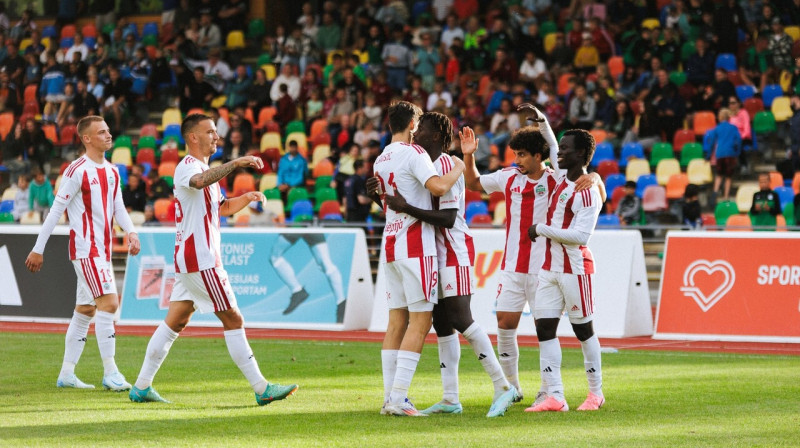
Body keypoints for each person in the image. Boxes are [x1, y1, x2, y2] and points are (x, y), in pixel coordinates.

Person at [129, 114, 298, 404]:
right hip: (201, 258)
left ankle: (142, 386)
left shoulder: (205, 169)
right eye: (209, 132)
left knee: (175, 322)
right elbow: (198, 182)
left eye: (216, 132)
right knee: (233, 318)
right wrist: (236, 163)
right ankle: (261, 388)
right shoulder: (188, 167)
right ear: (193, 137)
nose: (216, 137)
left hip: (192, 258)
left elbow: (222, 207)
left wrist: (249, 196)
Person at [373, 112, 518, 418]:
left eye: (422, 129)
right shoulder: (420, 163)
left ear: (437, 136)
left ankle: (503, 386)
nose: (416, 133)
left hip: (452, 250)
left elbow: (449, 218)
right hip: (429, 253)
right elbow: (408, 206)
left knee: (461, 318)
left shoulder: (447, 165)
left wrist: (406, 206)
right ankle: (451, 398)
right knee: (441, 324)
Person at [461, 104, 603, 410]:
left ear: (539, 156)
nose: (517, 161)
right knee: (505, 323)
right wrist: (469, 154)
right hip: (513, 265)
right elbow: (473, 183)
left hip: (546, 267)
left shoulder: (556, 179)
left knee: (548, 329)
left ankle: (550, 391)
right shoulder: (508, 178)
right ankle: (512, 388)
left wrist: (596, 177)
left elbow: (578, 171)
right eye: (515, 155)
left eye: (522, 155)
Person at [25, 116, 141, 391]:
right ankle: (111, 372)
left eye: (108, 131)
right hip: (86, 249)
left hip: (102, 250)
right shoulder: (76, 171)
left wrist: (132, 231)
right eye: (101, 132)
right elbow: (56, 210)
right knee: (110, 304)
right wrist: (38, 248)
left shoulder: (112, 171)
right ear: (86, 138)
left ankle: (67, 373)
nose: (108, 135)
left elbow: (118, 207)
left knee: (86, 309)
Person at [372, 101, 464, 416]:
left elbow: (388, 204)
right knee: (421, 321)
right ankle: (399, 398)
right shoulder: (415, 154)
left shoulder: (380, 158)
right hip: (415, 244)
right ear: (413, 123)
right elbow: (437, 186)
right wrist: (460, 166)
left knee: (396, 321)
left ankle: (389, 398)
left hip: (391, 242)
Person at [526, 128, 604, 413]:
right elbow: (548, 140)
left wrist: (540, 229)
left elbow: (582, 236)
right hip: (549, 268)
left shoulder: (588, 193)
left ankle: (595, 394)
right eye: (560, 146)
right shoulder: (560, 178)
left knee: (583, 330)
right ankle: (555, 396)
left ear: (581, 153)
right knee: (544, 328)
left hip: (575, 269)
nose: (558, 151)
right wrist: (542, 119)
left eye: (566, 148)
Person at [269, 232, 348, 322]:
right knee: (325, 264)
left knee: (274, 256)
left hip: (299, 224)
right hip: (311, 224)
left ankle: (297, 290)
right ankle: (341, 304)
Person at [704, 108, 742, 201]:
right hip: (730, 153)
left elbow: (712, 142)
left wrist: (708, 156)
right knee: (728, 176)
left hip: (720, 153)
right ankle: (726, 197)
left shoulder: (717, 128)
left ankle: (715, 192)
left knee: (719, 174)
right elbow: (739, 140)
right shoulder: (733, 128)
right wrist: (737, 153)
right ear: (729, 117)